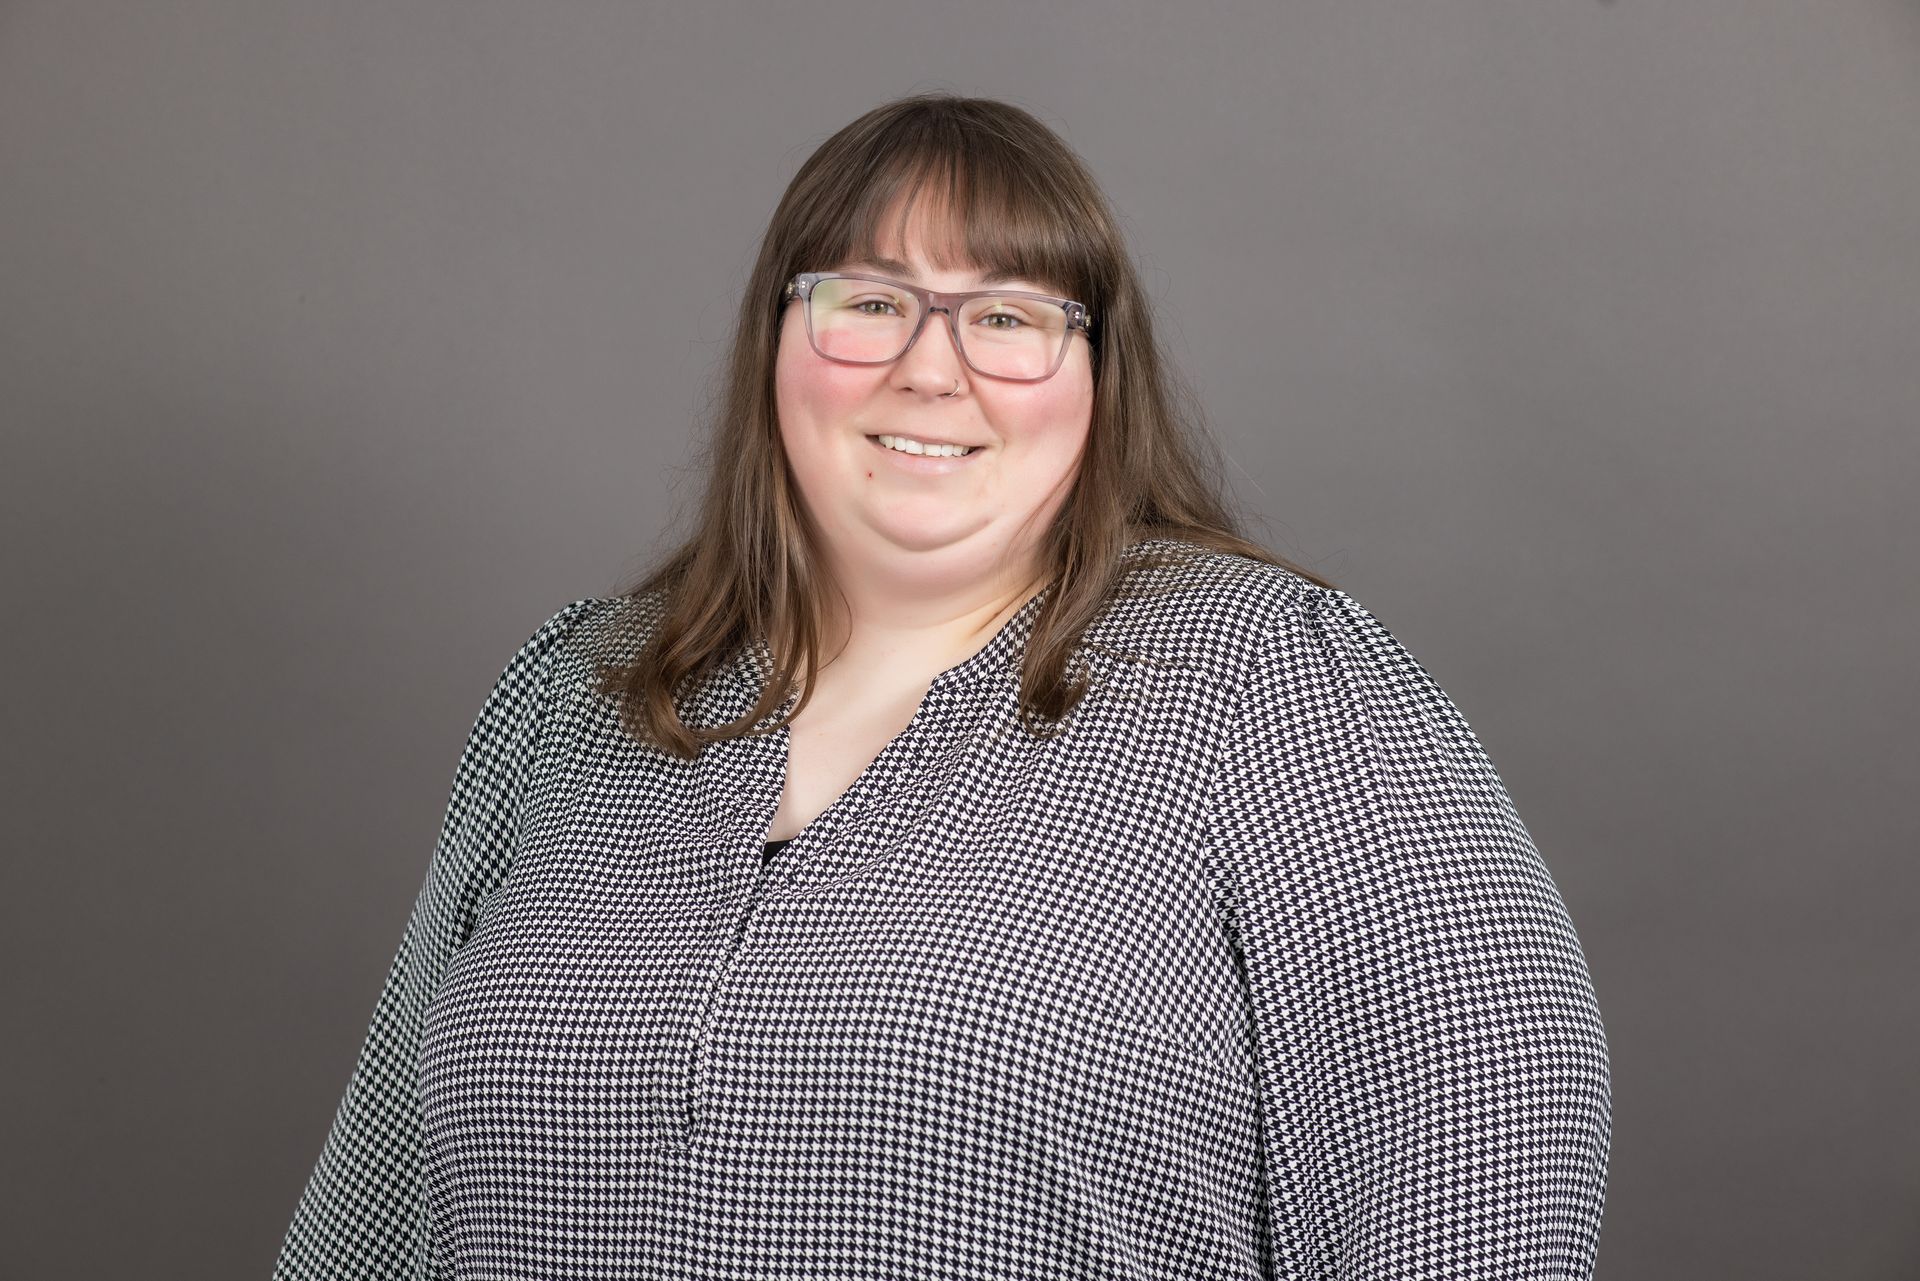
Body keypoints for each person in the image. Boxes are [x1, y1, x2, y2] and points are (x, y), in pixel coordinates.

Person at [273, 93, 1610, 1279]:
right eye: (868, 300)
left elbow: (1477, 1154)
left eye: (1011, 317)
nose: (932, 364)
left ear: (1095, 379)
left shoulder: (1275, 682)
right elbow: (383, 1199)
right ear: (776, 345)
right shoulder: (579, 690)